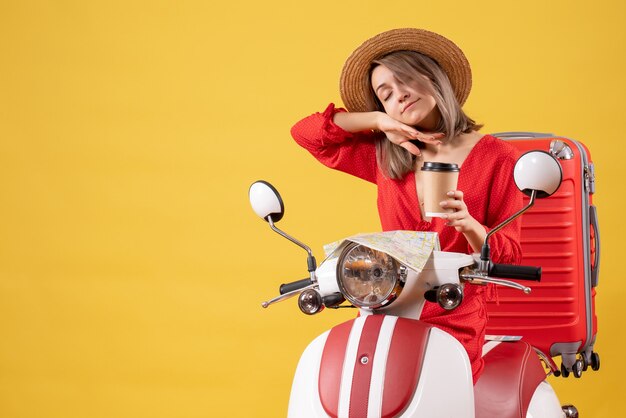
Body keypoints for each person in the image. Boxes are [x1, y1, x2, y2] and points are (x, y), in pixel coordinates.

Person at [290, 28, 524, 383]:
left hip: (453, 313)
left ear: (433, 78)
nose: (399, 96)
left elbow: (509, 257)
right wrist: (377, 122)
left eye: (405, 81)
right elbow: (306, 133)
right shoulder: (385, 155)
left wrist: (470, 225)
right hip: (385, 308)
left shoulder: (499, 158)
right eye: (386, 95)